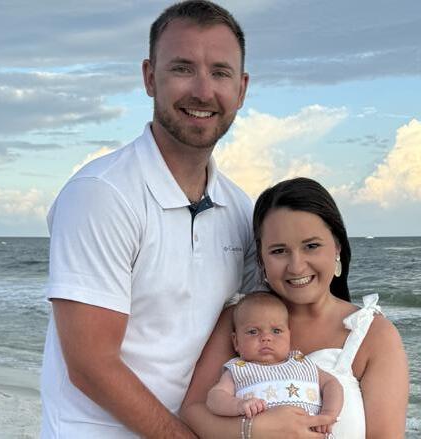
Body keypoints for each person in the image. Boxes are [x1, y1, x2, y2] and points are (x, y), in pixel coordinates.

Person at [40, 1, 257, 438]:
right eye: (182, 68)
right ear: (149, 77)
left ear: (241, 89)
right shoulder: (102, 193)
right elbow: (90, 364)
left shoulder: (240, 209)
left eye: (220, 72)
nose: (203, 91)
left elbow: (261, 323)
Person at [181, 177, 409, 438]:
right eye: (279, 251)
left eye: (311, 246)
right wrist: (256, 429)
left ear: (337, 246)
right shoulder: (241, 319)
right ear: (261, 257)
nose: (297, 266)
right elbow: (193, 412)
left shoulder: (372, 335)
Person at [206, 292, 343, 435]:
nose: (266, 338)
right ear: (236, 342)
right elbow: (215, 397)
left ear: (289, 335)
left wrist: (329, 414)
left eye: (276, 331)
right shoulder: (238, 369)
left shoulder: (301, 362)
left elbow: (332, 384)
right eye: (253, 332)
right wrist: (239, 405)